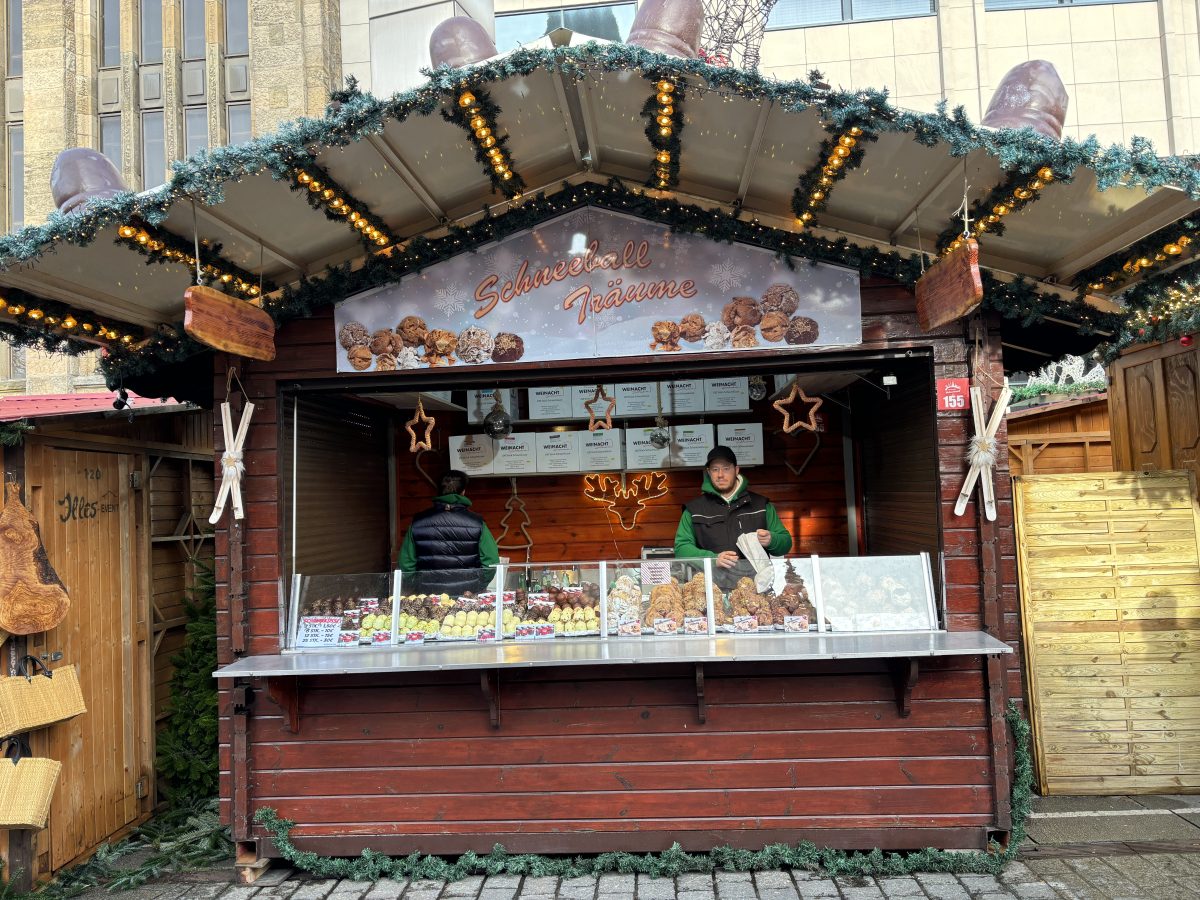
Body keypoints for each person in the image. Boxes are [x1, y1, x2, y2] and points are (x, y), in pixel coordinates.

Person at [673, 446, 792, 587]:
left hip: (756, 591)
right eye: (715, 469)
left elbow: (785, 543)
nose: (720, 474)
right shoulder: (694, 509)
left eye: (726, 468)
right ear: (708, 473)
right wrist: (713, 559)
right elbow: (681, 548)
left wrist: (772, 539)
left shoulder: (761, 505)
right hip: (711, 592)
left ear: (736, 470)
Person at [397, 470, 499, 596]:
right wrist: (478, 585)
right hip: (467, 597)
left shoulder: (418, 522)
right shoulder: (477, 523)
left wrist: (417, 586)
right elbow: (491, 561)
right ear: (463, 492)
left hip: (429, 598)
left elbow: (406, 564)